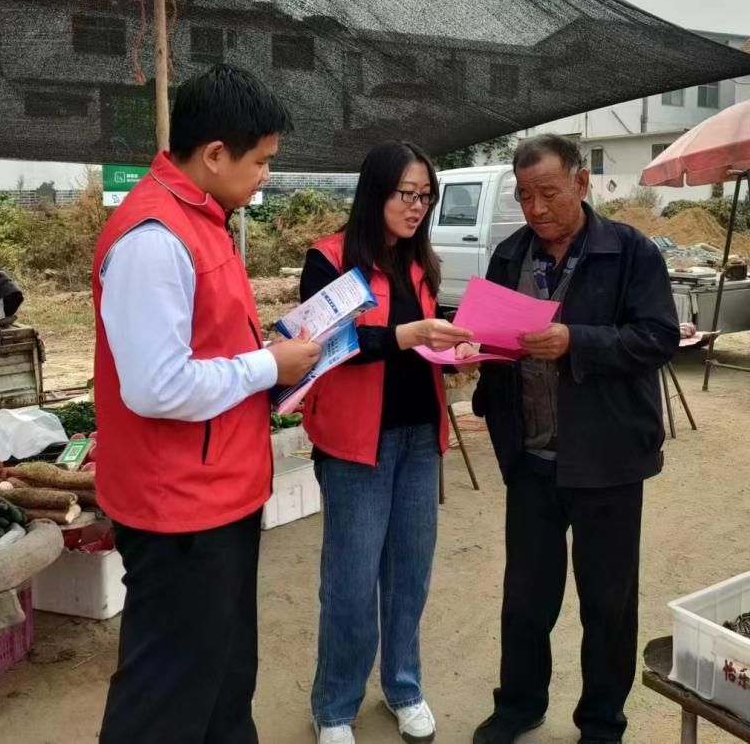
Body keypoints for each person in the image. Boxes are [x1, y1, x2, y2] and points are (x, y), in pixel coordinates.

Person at [92, 64, 322, 744]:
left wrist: (273, 364)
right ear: (215, 153)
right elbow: (155, 386)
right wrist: (267, 365)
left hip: (220, 490)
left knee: (222, 677)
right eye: (261, 161)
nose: (265, 176)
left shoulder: (203, 217)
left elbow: (209, 341)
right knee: (166, 694)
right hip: (179, 507)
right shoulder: (153, 239)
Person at [470, 135, 679, 744]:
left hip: (607, 458)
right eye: (524, 195)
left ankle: (601, 722)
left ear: (582, 184)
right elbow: (494, 339)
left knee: (607, 603)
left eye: (548, 193)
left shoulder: (630, 252)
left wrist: (576, 341)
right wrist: (474, 355)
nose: (535, 208)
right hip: (531, 456)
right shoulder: (510, 255)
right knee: (525, 597)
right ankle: (519, 705)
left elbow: (658, 337)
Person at [300, 140, 474, 744]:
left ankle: (404, 687)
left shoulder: (421, 263)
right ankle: (334, 707)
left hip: (420, 437)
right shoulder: (329, 260)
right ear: (375, 192)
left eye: (425, 196)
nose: (417, 206)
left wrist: (457, 349)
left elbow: (424, 344)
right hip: (356, 445)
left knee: (409, 574)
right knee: (350, 582)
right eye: (407, 194)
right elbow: (322, 347)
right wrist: (406, 334)